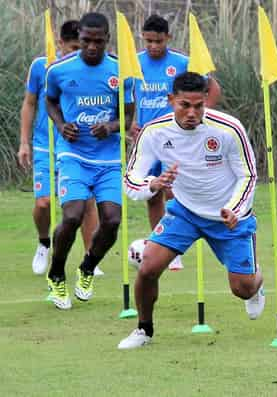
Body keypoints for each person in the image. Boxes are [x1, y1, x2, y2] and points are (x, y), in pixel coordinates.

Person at [118, 72, 264, 349]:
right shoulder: (154, 132)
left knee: (243, 289)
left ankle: (256, 277)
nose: (192, 113)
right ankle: (143, 330)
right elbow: (130, 178)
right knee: (148, 267)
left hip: (227, 218)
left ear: (206, 100)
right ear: (171, 100)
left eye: (199, 105)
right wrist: (153, 184)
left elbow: (249, 175)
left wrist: (235, 208)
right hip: (184, 212)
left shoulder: (229, 128)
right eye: (185, 105)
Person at [45, 12, 135, 309]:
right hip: (73, 155)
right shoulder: (59, 70)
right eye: (86, 41)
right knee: (72, 216)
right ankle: (56, 273)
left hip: (108, 158)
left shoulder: (121, 72)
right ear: (79, 39)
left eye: (98, 41)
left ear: (107, 40)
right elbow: (51, 100)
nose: (92, 47)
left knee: (112, 221)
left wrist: (109, 126)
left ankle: (87, 268)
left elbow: (128, 113)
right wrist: (60, 125)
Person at [133, 14, 221, 271]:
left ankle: (176, 245)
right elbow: (124, 97)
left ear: (168, 38)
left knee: (174, 191)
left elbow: (213, 90)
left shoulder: (183, 63)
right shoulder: (134, 64)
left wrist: (199, 120)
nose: (153, 46)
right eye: (148, 41)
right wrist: (128, 125)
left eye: (158, 41)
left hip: (177, 139)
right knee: (152, 193)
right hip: (149, 141)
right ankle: (162, 244)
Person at [18, 20, 103, 277]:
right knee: (44, 203)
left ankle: (91, 257)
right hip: (46, 145)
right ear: (60, 44)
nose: (79, 52)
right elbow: (30, 103)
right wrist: (24, 142)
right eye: (74, 47)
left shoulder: (91, 68)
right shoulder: (41, 67)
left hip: (76, 147)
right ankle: (44, 242)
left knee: (87, 203)